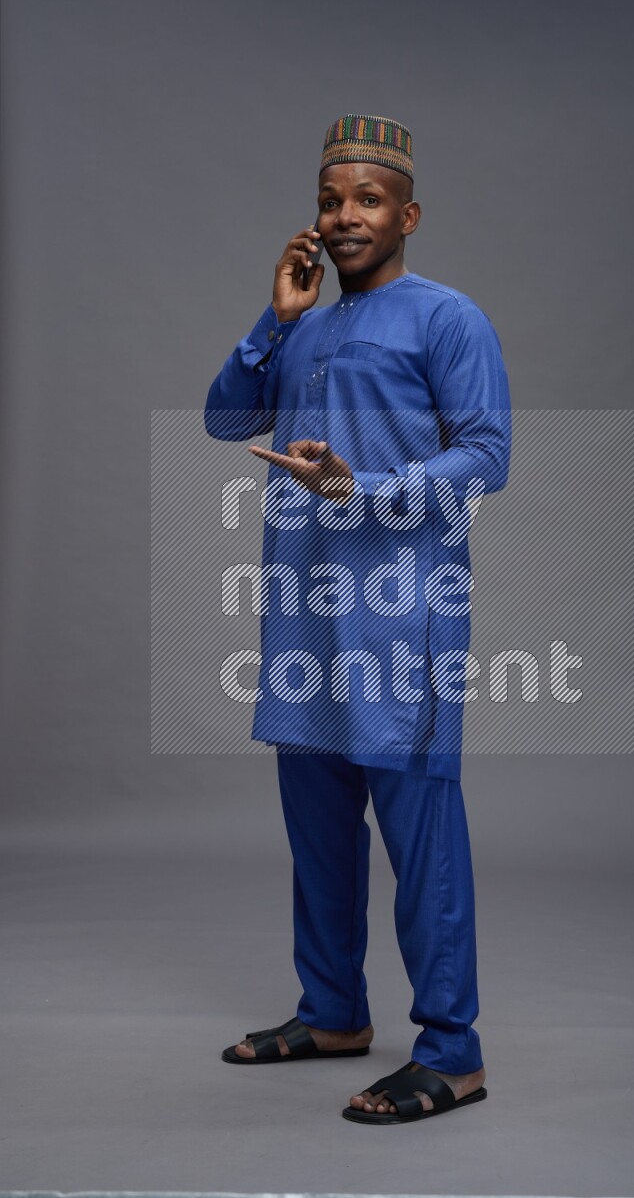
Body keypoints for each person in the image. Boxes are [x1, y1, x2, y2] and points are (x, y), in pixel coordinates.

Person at [205, 114, 512, 1123]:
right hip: (305, 617)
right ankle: (332, 1010)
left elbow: (486, 456)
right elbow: (222, 416)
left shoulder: (446, 317)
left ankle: (452, 1050)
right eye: (330, 199)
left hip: (401, 616)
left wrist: (362, 487)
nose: (343, 217)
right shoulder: (306, 323)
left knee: (419, 836)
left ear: (407, 214)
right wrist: (275, 318)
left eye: (366, 200)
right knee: (319, 830)